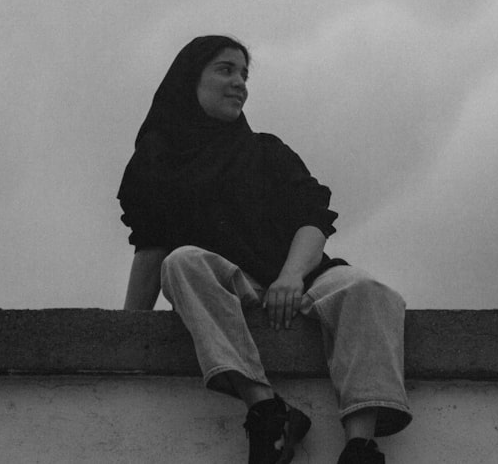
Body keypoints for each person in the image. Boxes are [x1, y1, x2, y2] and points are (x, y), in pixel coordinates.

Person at [118, 35, 411, 464]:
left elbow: (313, 219)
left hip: (303, 275)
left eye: (244, 73)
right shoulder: (154, 162)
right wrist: (125, 331)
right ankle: (269, 411)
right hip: (235, 282)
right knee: (180, 261)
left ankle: (361, 445)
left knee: (367, 288)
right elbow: (151, 248)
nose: (239, 82)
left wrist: (291, 275)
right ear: (189, 80)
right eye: (225, 69)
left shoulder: (266, 151)